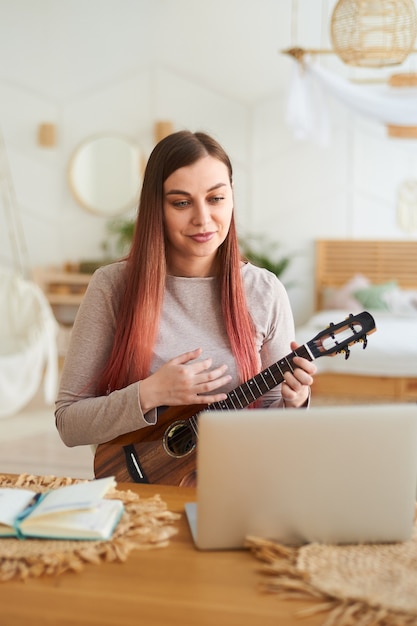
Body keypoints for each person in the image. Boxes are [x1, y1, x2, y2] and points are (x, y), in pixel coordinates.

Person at [55, 130, 316, 455]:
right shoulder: (112, 287)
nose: (203, 219)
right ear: (156, 207)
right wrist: (150, 393)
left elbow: (275, 425)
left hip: (236, 477)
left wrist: (296, 402)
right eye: (181, 203)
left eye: (216, 199)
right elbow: (69, 422)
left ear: (231, 197)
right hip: (139, 489)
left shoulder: (265, 291)